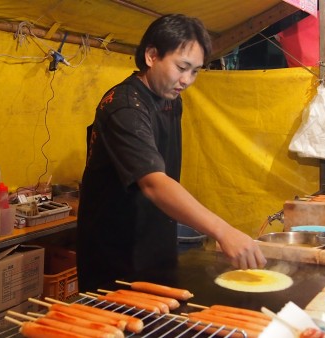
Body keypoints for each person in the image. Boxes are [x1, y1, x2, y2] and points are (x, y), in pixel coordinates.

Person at [76, 14, 267, 292]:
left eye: (196, 71)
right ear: (152, 56)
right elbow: (154, 182)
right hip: (115, 253)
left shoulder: (170, 98)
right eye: (182, 67)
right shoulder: (125, 106)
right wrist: (223, 230)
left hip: (155, 243)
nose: (187, 80)